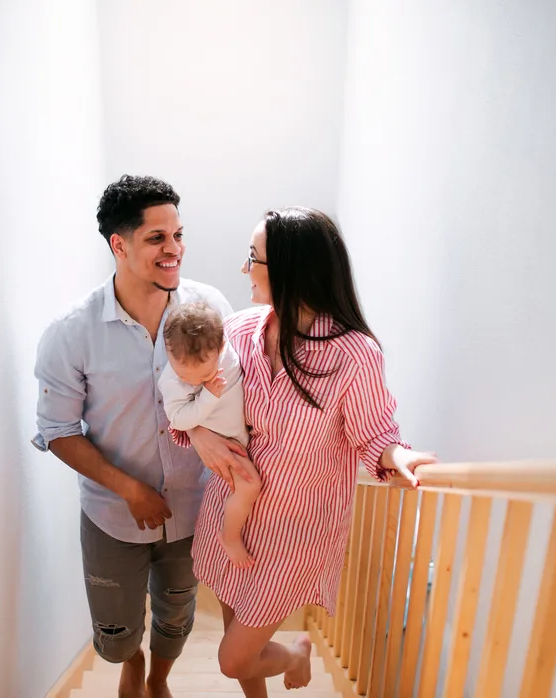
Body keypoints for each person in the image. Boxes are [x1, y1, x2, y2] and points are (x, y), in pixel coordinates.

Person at [172, 207, 436, 696]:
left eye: (253, 258)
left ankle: (295, 653)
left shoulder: (352, 352)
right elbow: (193, 398)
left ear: (292, 267)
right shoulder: (241, 330)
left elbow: (374, 430)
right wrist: (198, 435)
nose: (244, 269)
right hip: (232, 511)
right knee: (236, 626)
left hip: (296, 531)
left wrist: (393, 454)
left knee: (234, 659)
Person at [32, 175, 240, 698]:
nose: (175, 250)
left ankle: (159, 679)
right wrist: (128, 488)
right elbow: (57, 431)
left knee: (177, 612)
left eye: (178, 234)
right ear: (118, 245)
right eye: (157, 239)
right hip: (111, 515)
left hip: (194, 507)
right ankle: (131, 663)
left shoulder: (211, 307)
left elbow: (238, 390)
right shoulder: (70, 332)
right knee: (117, 630)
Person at [158, 301, 262, 569]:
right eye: (184, 374)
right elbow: (179, 420)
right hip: (223, 443)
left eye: (203, 374)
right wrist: (207, 393)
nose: (192, 381)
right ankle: (229, 537)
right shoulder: (172, 381)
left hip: (241, 434)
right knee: (250, 485)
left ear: (223, 347)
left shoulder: (226, 352)